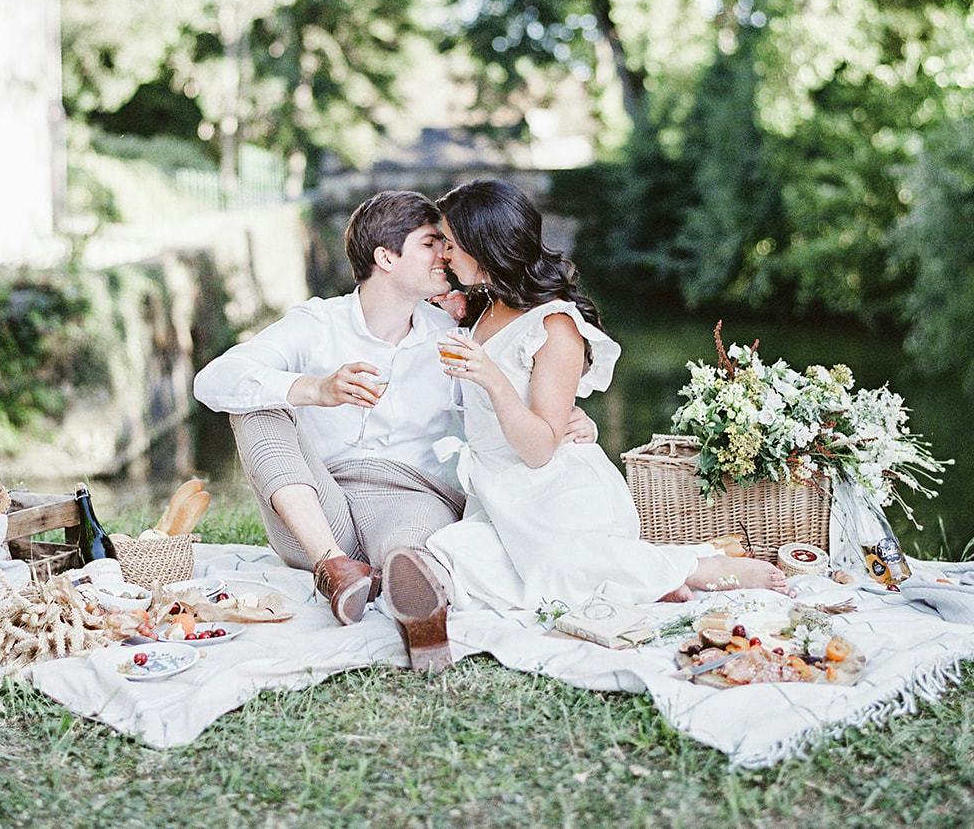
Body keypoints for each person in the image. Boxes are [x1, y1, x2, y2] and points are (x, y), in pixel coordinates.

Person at [191, 189, 598, 672]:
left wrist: (566, 419)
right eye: (431, 243)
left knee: (414, 556)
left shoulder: (456, 333)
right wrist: (316, 389)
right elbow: (212, 380)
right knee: (255, 402)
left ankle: (419, 609)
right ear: (386, 256)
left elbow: (514, 401)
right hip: (318, 511)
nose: (446, 254)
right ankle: (335, 570)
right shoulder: (317, 324)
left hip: (413, 499)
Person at [425, 178, 791, 612]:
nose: (442, 254)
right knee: (456, 552)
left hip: (550, 491)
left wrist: (493, 379)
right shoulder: (481, 307)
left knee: (552, 566)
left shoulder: (554, 327)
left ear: (482, 243)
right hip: (499, 491)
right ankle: (637, 579)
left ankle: (694, 567)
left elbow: (540, 450)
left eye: (449, 243)